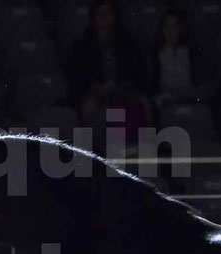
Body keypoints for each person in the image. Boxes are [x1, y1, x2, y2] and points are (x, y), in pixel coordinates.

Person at [67, 0, 151, 148]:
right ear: (93, 17)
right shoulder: (83, 45)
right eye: (100, 14)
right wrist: (96, 87)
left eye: (108, 13)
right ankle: (89, 155)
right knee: (88, 108)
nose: (104, 17)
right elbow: (77, 76)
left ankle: (146, 150)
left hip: (123, 90)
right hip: (95, 92)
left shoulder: (127, 43)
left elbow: (137, 72)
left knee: (145, 103)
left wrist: (120, 85)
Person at [150, 11, 198, 109]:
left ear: (181, 29)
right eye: (166, 26)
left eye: (175, 26)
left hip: (189, 100)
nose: (170, 31)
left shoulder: (191, 52)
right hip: (165, 101)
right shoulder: (155, 54)